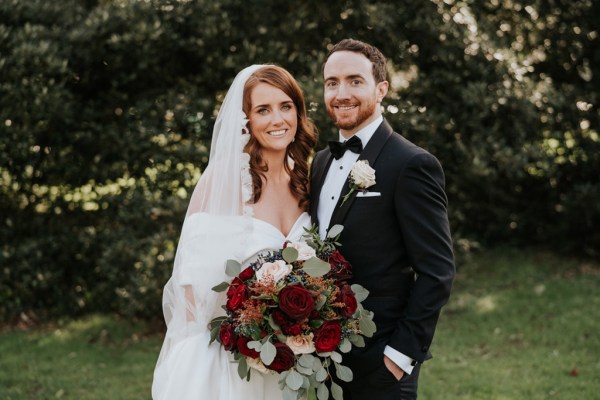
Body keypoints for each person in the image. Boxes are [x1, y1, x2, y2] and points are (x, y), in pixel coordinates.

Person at [152, 65, 317, 400]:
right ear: (246, 120)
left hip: (289, 363)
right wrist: (247, 336)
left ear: (298, 113)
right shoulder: (225, 183)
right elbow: (191, 292)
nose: (277, 119)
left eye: (286, 106)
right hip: (227, 362)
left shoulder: (305, 180)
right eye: (263, 110)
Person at [310, 39, 455, 399]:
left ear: (381, 89)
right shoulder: (320, 163)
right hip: (322, 360)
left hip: (382, 364)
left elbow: (437, 271)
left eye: (355, 81)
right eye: (332, 83)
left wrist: (400, 355)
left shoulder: (411, 164)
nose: (341, 93)